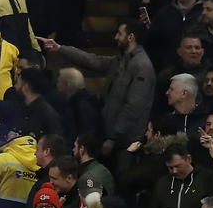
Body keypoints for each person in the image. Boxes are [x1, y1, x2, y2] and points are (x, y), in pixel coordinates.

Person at [40, 21, 155, 154]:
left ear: (131, 37)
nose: (116, 37)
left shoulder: (141, 66)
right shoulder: (121, 60)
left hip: (126, 141)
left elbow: (134, 107)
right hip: (112, 135)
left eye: (119, 33)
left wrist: (113, 137)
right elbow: (92, 60)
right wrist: (60, 48)